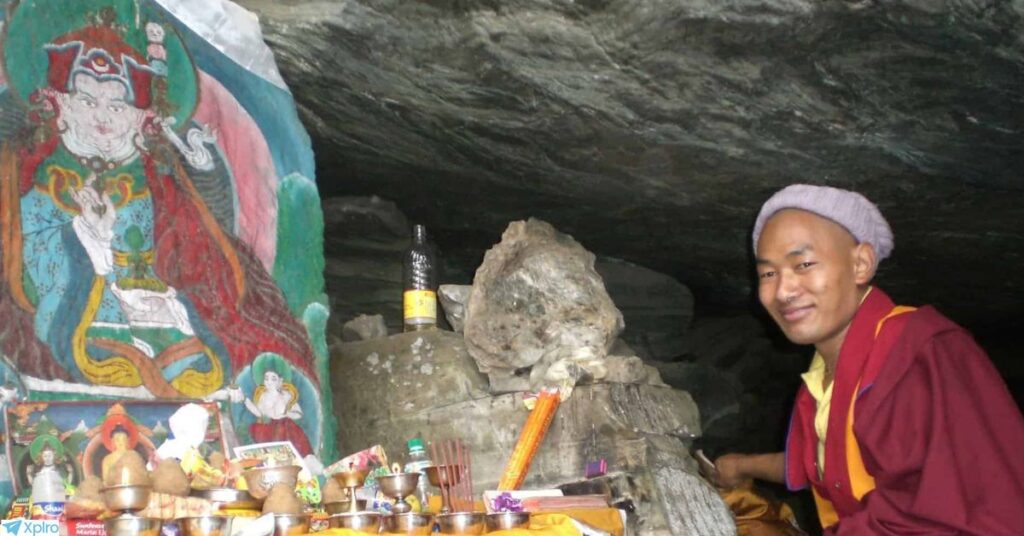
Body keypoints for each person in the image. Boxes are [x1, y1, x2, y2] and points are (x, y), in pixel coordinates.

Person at [0, 14, 316, 399]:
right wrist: (87, 238)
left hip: (155, 316)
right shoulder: (38, 173)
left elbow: (198, 260)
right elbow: (27, 261)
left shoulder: (156, 182)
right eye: (86, 100)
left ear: (140, 120)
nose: (101, 117)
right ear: (58, 106)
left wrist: (173, 299)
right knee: (110, 357)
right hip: (78, 313)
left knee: (213, 352)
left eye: (117, 107)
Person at [712, 184, 1024, 535]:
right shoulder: (821, 379)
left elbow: (954, 509)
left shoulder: (923, 353)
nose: (783, 290)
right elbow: (825, 464)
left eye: (803, 264)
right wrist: (742, 466)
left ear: (860, 264)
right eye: (768, 274)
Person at [240, 353, 312, 456]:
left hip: (285, 426)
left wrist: (288, 414)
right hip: (268, 428)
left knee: (291, 435)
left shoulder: (286, 395)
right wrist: (245, 400)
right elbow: (259, 413)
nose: (269, 382)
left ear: (280, 381)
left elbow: (299, 413)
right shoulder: (263, 396)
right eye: (266, 378)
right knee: (255, 430)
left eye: (273, 379)